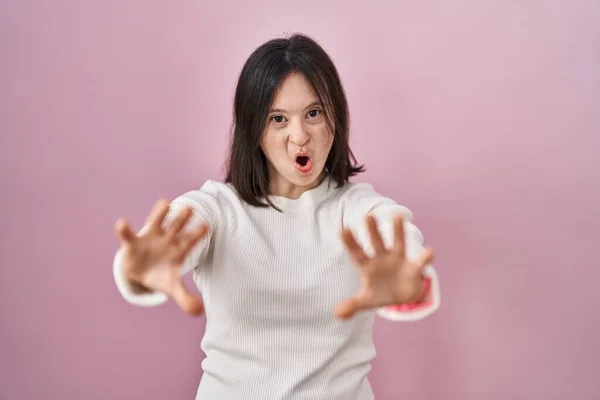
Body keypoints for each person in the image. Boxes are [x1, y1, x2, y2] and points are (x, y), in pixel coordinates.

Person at [112, 33, 441, 400]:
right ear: (254, 131)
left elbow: (401, 245)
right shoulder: (218, 209)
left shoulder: (361, 209)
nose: (299, 136)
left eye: (313, 114)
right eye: (278, 119)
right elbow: (173, 232)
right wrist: (139, 267)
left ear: (337, 117)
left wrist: (409, 283)